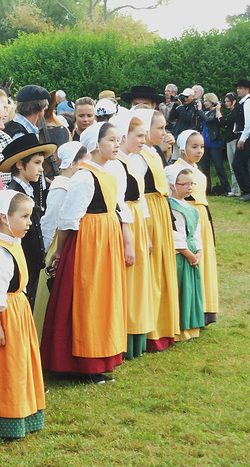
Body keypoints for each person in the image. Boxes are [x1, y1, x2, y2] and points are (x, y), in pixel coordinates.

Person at [40, 122, 126, 384]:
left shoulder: (108, 173)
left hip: (105, 241)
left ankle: (100, 358)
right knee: (86, 300)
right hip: (88, 244)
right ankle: (80, 363)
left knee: (103, 299)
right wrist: (62, 252)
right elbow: (69, 219)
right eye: (111, 140)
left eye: (116, 139)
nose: (116, 145)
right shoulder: (84, 176)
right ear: (95, 144)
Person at [0, 190, 46, 438]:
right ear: (5, 218)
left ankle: (23, 410)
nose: (29, 222)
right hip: (4, 316)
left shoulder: (12, 245)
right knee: (4, 366)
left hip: (18, 312)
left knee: (19, 363)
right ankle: (1, 417)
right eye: (25, 216)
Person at [132, 109, 180, 351]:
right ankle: (152, 331)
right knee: (151, 270)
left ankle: (163, 325)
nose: (164, 132)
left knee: (162, 267)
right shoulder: (138, 157)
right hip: (149, 210)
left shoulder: (153, 152)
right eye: (159, 128)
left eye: (164, 128)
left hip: (160, 208)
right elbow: (136, 192)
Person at [113, 114, 154, 359]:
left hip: (136, 222)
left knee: (138, 283)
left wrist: (146, 233)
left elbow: (142, 199)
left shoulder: (133, 162)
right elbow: (119, 202)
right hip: (126, 223)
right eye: (138, 136)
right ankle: (124, 337)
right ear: (123, 136)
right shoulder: (116, 164)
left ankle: (138, 336)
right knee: (128, 282)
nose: (143, 140)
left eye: (143, 135)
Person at [0, 134, 57, 308]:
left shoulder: (30, 191)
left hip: (31, 268)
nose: (41, 169)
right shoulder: (14, 195)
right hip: (23, 267)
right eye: (37, 163)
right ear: (20, 164)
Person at [170, 130, 219, 325]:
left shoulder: (196, 169)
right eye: (194, 147)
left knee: (204, 257)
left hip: (201, 216)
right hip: (188, 215)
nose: (199, 151)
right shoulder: (178, 169)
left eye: (202, 147)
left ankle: (205, 306)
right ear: (183, 149)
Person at [165, 166, 205, 340]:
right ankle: (180, 328)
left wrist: (199, 251)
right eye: (185, 184)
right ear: (173, 185)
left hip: (192, 252)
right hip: (181, 254)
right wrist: (188, 254)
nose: (190, 187)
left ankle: (191, 326)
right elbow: (176, 234)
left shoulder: (191, 208)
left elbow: (196, 231)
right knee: (181, 288)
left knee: (191, 288)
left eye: (192, 184)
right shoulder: (172, 207)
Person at [198, 93, 230, 195]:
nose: (204, 103)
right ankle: (207, 189)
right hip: (205, 143)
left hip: (214, 143)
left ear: (212, 102)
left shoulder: (215, 113)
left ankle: (226, 187)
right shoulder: (206, 112)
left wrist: (200, 110)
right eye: (204, 101)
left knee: (219, 167)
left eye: (206, 101)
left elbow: (208, 121)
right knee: (205, 168)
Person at [231, 79, 250, 203]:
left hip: (246, 136)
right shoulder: (243, 102)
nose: (238, 90)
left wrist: (242, 139)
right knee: (242, 164)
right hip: (243, 135)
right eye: (238, 88)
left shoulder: (249, 102)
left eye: (241, 88)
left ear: (247, 89)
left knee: (237, 163)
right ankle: (247, 191)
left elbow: (249, 123)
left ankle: (247, 191)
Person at [218, 92, 240, 196]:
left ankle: (240, 188)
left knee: (237, 165)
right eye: (225, 101)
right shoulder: (230, 113)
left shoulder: (236, 112)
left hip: (235, 140)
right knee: (232, 167)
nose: (226, 103)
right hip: (229, 141)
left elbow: (223, 121)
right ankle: (235, 189)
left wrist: (218, 111)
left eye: (228, 101)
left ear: (234, 101)